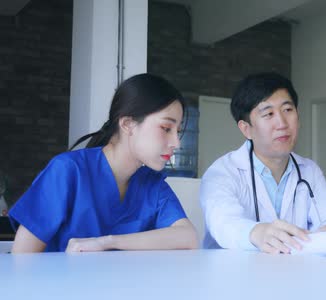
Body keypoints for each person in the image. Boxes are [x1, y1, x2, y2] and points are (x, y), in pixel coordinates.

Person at [9, 74, 198, 253]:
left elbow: (188, 237)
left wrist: (107, 242)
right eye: (166, 128)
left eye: (177, 131)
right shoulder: (68, 171)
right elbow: (22, 258)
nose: (176, 142)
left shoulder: (152, 184)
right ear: (127, 124)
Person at [200, 72, 326, 254]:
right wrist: (257, 233)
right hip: (236, 275)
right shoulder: (222, 172)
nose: (282, 123)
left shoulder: (309, 170)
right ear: (246, 129)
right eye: (268, 114)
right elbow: (223, 223)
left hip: (297, 273)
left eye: (287, 110)